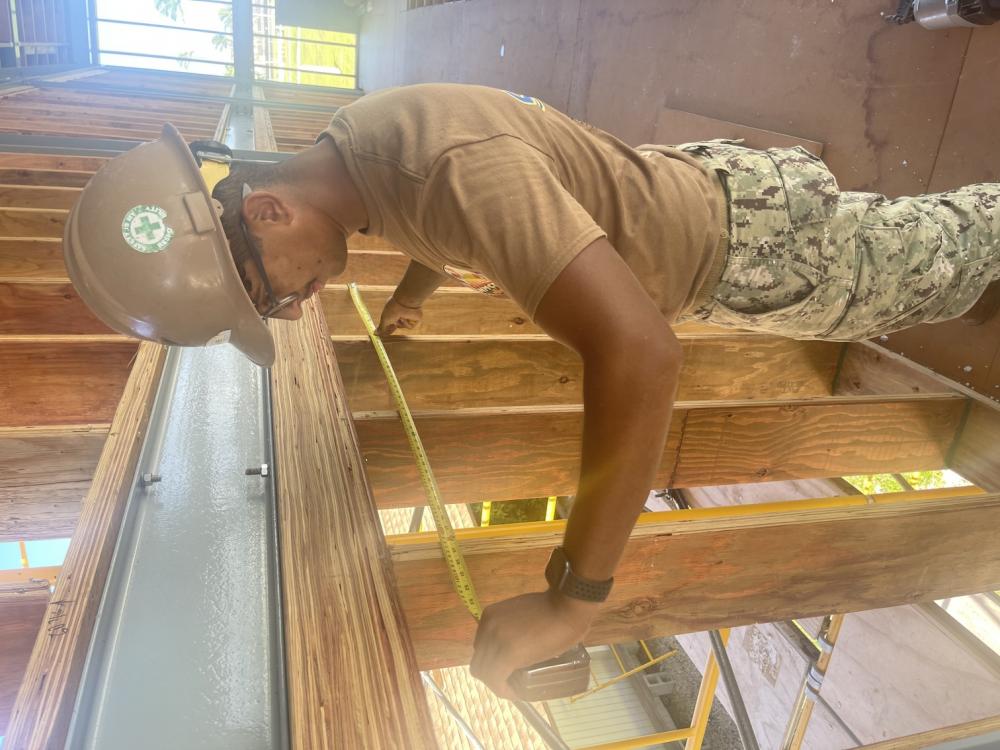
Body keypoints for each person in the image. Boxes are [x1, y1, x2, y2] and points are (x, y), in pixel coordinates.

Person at [65, 82, 1000, 700]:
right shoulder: (357, 156)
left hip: (744, 244)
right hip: (704, 205)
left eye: (267, 292)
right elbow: (449, 221)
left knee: (952, 255)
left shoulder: (442, 170)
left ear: (265, 210)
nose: (295, 309)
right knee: (928, 244)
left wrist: (573, 597)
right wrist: (412, 301)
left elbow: (641, 353)